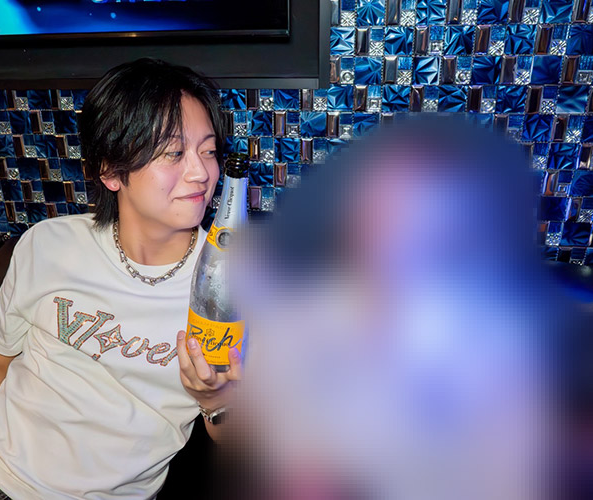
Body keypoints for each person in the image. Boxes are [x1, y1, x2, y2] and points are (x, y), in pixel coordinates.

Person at [0, 58, 241, 500]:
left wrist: (216, 401)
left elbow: (243, 444)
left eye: (208, 151)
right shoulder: (48, 245)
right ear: (110, 170)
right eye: (172, 153)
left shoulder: (229, 283)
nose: (201, 172)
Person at [221, 116, 585, 500]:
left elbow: (514, 479)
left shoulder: (499, 349)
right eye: (381, 215)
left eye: (426, 223)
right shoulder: (308, 316)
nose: (394, 242)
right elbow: (277, 450)